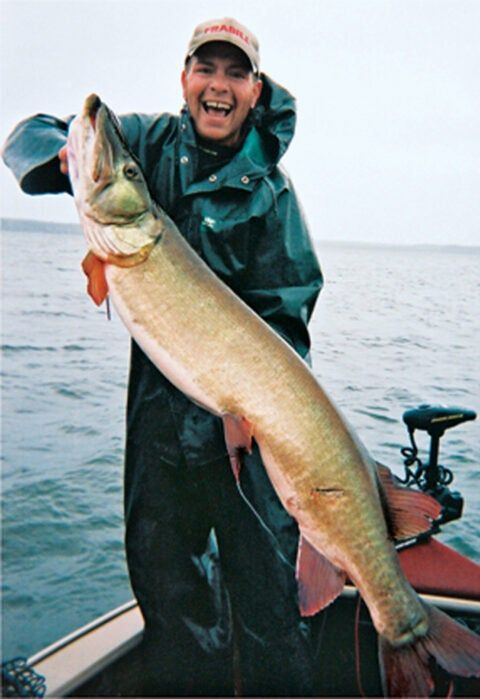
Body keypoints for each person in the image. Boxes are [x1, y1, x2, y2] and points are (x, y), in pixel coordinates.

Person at [3, 18, 323, 696]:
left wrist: (245, 405)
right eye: (206, 69)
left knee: (268, 605)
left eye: (235, 73)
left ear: (255, 90)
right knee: (172, 603)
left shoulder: (273, 194)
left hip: (245, 430)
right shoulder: (143, 145)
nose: (219, 85)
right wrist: (63, 149)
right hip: (159, 419)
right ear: (185, 81)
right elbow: (26, 136)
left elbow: (288, 314)